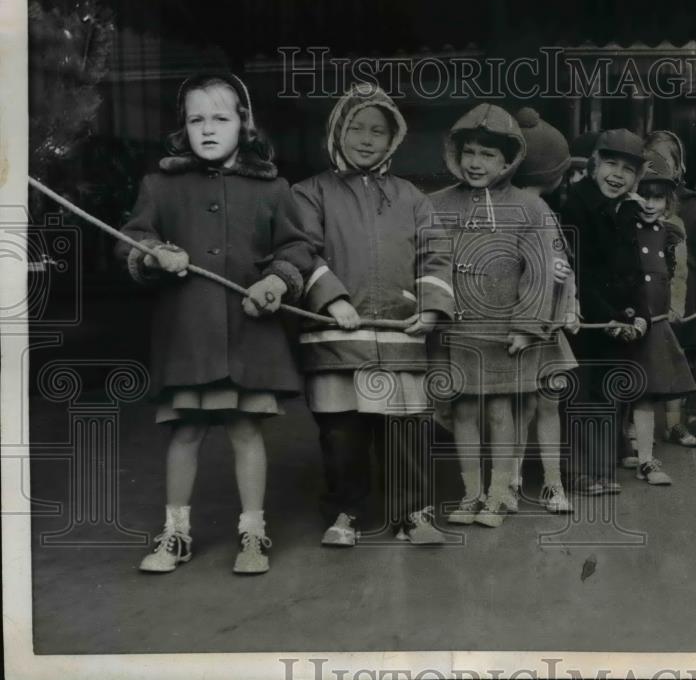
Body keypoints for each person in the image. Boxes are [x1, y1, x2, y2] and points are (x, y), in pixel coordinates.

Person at [118, 73, 308, 574]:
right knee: (185, 433)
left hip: (249, 336)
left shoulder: (272, 188)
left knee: (246, 431)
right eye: (195, 118)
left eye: (220, 118)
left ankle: (253, 534)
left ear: (244, 124)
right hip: (189, 337)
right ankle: (175, 533)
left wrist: (278, 282)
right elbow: (130, 240)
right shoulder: (159, 186)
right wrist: (155, 255)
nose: (207, 128)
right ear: (183, 127)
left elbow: (297, 249)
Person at [292, 83, 454, 547]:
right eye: (356, 128)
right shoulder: (309, 193)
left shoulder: (411, 197)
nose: (366, 139)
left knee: (406, 433)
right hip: (337, 340)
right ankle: (346, 512)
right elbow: (300, 249)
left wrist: (430, 307)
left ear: (393, 140)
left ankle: (413, 515)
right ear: (337, 131)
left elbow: (435, 254)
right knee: (343, 436)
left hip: (401, 339)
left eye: (378, 131)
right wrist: (331, 298)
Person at [431, 103, 554, 525]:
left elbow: (538, 273)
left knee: (501, 412)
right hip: (457, 330)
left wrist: (527, 326)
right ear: (455, 154)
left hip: (505, 333)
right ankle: (471, 494)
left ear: (508, 160)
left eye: (488, 154)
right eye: (469, 152)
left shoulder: (530, 209)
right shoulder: (435, 205)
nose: (476, 162)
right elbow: (424, 263)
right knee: (463, 411)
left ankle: (500, 494)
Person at [559, 129, 649, 495]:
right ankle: (579, 472)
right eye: (611, 164)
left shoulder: (628, 209)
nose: (618, 174)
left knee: (611, 396)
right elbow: (581, 271)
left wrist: (640, 313)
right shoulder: (575, 205)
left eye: (628, 169)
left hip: (618, 322)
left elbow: (633, 268)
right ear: (594, 164)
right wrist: (609, 317)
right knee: (582, 397)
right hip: (588, 319)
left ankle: (601, 470)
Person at [509, 107, 577, 514]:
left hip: (547, 324)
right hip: (523, 321)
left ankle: (548, 481)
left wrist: (572, 303)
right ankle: (516, 478)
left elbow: (563, 268)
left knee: (536, 404)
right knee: (526, 405)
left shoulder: (545, 213)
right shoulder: (516, 211)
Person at [621, 146, 696, 482]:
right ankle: (625, 447)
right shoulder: (621, 230)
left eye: (658, 198)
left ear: (668, 201)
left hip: (655, 323)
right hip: (624, 322)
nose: (650, 205)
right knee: (620, 389)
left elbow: (677, 275)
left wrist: (674, 309)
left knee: (646, 392)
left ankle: (647, 459)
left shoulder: (670, 233)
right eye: (643, 196)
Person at [642, 131, 696, 447]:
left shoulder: (692, 203)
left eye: (667, 159)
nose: (659, 164)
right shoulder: (637, 201)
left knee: (684, 358)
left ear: (679, 165)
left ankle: (686, 419)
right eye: (651, 158)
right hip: (649, 293)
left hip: (685, 291)